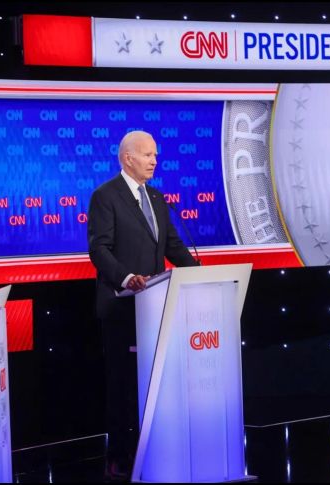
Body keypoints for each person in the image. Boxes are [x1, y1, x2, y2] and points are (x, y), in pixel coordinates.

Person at [87, 130, 199, 479]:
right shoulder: (105, 196)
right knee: (123, 384)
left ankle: (157, 449)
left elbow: (173, 246)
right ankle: (120, 456)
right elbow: (99, 249)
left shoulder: (156, 197)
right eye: (148, 154)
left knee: (155, 382)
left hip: (157, 308)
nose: (154, 160)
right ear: (128, 158)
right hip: (122, 306)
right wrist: (126, 278)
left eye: (156, 155)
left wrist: (200, 274)